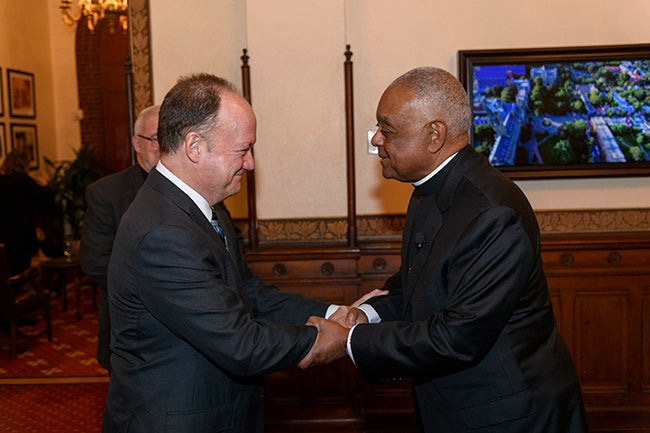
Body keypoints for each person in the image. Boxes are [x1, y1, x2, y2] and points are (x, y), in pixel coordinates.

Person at [299, 67, 588, 433]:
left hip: (508, 414)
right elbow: (415, 285)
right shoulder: (428, 191)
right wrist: (366, 315)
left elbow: (459, 336)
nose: (375, 140)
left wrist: (350, 341)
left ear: (434, 135)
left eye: (387, 130)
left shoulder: (493, 213)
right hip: (457, 407)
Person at [101, 73, 352, 433]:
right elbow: (241, 344)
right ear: (194, 146)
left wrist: (333, 313)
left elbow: (249, 293)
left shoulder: (206, 210)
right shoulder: (164, 232)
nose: (250, 163)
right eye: (243, 149)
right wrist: (324, 339)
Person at [79, 104, 161, 371]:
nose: (162, 145)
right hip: (130, 331)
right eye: (154, 138)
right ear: (137, 143)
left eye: (169, 135)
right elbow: (95, 262)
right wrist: (165, 288)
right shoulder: (106, 193)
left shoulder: (198, 188)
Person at [0, 148, 53, 275]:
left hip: (3, 233)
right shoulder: (24, 180)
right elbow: (46, 197)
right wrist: (45, 183)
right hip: (22, 233)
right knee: (21, 269)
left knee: (6, 268)